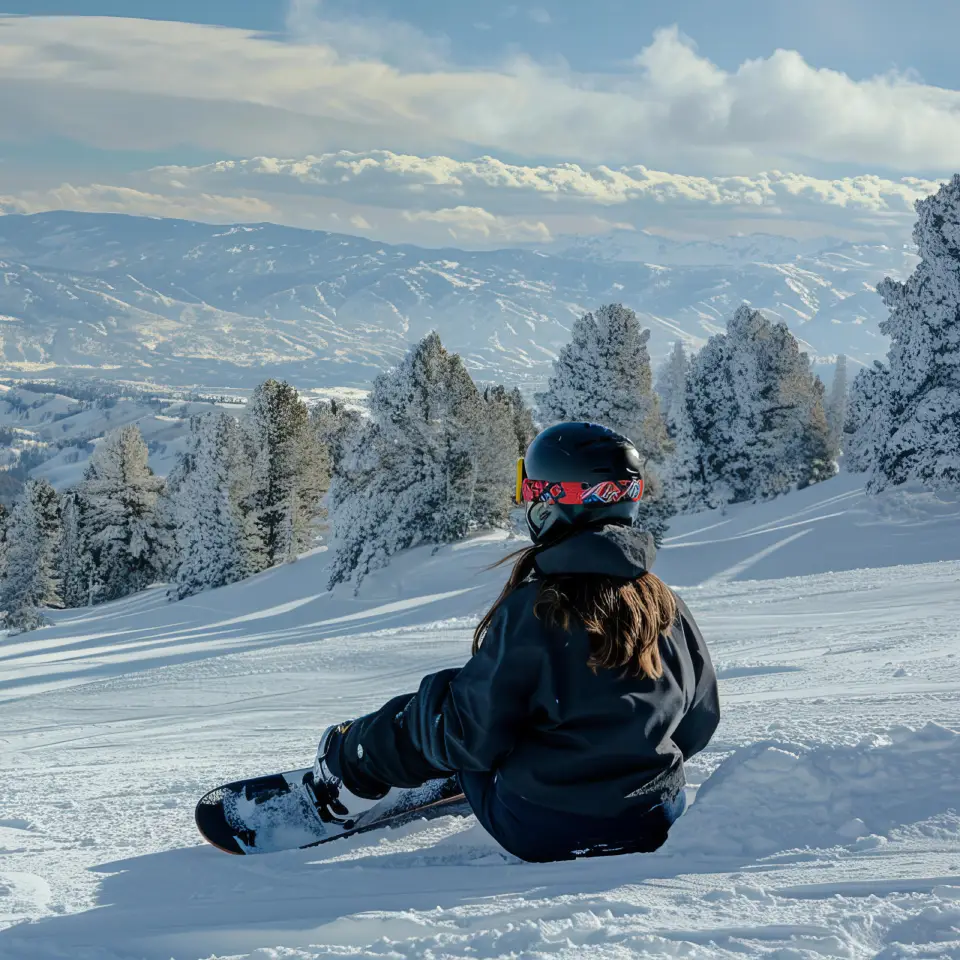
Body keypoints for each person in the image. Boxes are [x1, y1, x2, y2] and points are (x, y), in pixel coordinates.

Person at [309, 421, 720, 863]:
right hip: (654, 817)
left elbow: (462, 730)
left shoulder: (539, 608)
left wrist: (358, 754)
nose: (530, 502)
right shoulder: (662, 603)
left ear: (557, 500)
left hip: (544, 824)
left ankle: (347, 781)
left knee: (458, 710)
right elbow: (699, 721)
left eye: (533, 488)